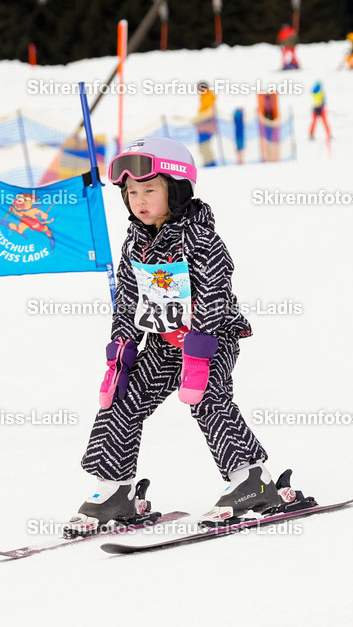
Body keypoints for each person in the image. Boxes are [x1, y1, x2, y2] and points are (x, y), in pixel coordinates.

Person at [66, 136, 288, 536]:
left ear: (178, 189)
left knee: (207, 400)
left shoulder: (201, 239)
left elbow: (215, 292)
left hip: (212, 338)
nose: (139, 199)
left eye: (150, 189)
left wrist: (199, 352)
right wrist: (122, 349)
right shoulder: (136, 241)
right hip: (165, 344)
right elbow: (129, 298)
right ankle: (115, 489)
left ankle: (253, 481)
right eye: (132, 192)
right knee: (122, 398)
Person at [194, 81, 217, 167]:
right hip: (204, 127)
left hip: (206, 127)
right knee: (204, 147)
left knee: (204, 147)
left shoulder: (208, 96)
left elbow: (208, 113)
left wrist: (196, 120)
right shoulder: (205, 96)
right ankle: (209, 163)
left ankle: (210, 164)